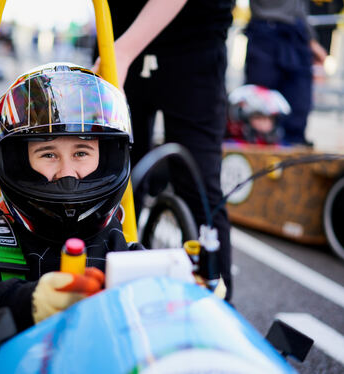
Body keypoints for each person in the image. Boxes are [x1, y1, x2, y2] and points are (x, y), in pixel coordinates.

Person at [0, 63, 140, 361]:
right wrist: (28, 305)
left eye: (81, 153)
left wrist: (194, 290)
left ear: (107, 158)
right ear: (19, 162)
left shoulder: (120, 248)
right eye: (48, 154)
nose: (68, 175)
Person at [93, 0, 234, 300]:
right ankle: (98, 295)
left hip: (193, 42)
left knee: (198, 186)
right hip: (116, 33)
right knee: (106, 178)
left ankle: (221, 310)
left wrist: (122, 51)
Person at [244, 0, 327, 145]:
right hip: (265, 27)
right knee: (259, 105)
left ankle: (292, 145)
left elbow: (299, 8)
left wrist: (311, 41)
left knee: (299, 105)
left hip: (297, 32)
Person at [225, 84, 291, 145]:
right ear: (244, 119)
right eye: (258, 117)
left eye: (269, 118)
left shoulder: (281, 148)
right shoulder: (232, 146)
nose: (264, 123)